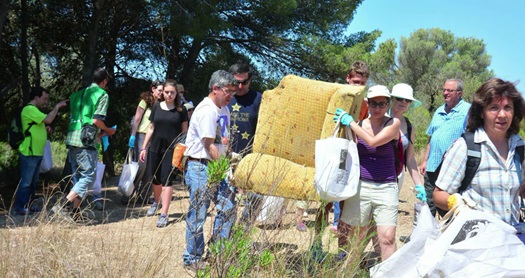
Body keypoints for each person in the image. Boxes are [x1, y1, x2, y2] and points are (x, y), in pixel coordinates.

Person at [434, 78, 525, 225]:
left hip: (513, 239)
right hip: (477, 241)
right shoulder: (466, 147)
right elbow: (438, 195)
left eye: (508, 107)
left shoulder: (520, 147)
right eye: (494, 108)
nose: (502, 115)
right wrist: (455, 202)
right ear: (481, 112)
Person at [334, 85, 401, 261]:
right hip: (360, 186)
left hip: (386, 187)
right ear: (368, 104)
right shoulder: (360, 124)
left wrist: (351, 123)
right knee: (356, 238)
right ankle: (351, 272)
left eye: (382, 104)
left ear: (388, 104)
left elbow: (373, 142)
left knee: (387, 238)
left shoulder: (393, 123)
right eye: (373, 104)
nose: (377, 108)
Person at [182, 70, 237, 272]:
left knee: (228, 207)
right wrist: (225, 169)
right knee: (198, 214)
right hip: (201, 167)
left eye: (233, 91)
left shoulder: (224, 110)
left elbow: (223, 142)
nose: (231, 95)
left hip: (219, 166)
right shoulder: (207, 110)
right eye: (228, 91)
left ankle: (218, 252)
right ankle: (192, 258)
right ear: (215, 89)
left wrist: (230, 160)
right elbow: (208, 145)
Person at [53, 68, 116, 221]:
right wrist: (108, 130)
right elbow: (96, 120)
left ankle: (74, 213)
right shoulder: (102, 94)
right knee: (89, 176)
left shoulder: (76, 94)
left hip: (72, 138)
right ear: (104, 81)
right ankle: (62, 205)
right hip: (85, 140)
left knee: (78, 177)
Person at [139, 79, 188, 227]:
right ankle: (156, 202)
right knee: (156, 178)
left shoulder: (181, 110)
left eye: (172, 92)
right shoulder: (156, 107)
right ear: (163, 92)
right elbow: (151, 128)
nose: (169, 95)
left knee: (167, 180)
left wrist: (183, 150)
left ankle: (164, 214)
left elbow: (185, 132)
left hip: (172, 149)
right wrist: (143, 147)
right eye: (166, 92)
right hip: (155, 147)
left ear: (176, 93)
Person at [419, 79, 471, 217]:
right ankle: (423, 235)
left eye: (450, 90)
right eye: (444, 90)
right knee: (428, 203)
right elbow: (431, 138)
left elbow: (471, 137)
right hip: (432, 165)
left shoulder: (468, 110)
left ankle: (448, 236)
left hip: (452, 167)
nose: (445, 93)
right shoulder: (438, 111)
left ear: (459, 93)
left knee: (448, 206)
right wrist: (425, 161)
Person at [13, 87, 68, 215]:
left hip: (36, 152)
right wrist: (57, 107)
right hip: (29, 152)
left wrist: (45, 129)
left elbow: (39, 125)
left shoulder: (35, 112)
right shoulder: (29, 109)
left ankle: (29, 205)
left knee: (33, 182)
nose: (46, 102)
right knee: (26, 182)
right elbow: (48, 119)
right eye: (44, 98)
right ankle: (20, 207)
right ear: (36, 97)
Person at [225, 63, 263, 227]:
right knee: (226, 201)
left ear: (250, 80)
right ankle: (224, 235)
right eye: (236, 82)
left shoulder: (258, 99)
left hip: (251, 157)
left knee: (256, 198)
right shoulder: (224, 97)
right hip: (225, 156)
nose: (240, 86)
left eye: (244, 82)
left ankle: (243, 231)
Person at [388, 83, 426, 243]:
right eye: (400, 98)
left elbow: (410, 158)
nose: (404, 102)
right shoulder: (378, 117)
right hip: (371, 176)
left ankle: (379, 257)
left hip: (396, 177)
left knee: (387, 220)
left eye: (407, 100)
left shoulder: (409, 126)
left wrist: (419, 184)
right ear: (391, 99)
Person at [127, 86, 160, 205]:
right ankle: (128, 193)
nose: (161, 93)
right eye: (159, 90)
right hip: (141, 135)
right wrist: (133, 135)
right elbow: (137, 119)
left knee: (150, 169)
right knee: (141, 166)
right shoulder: (145, 102)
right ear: (153, 89)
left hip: (154, 138)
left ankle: (144, 196)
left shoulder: (161, 104)